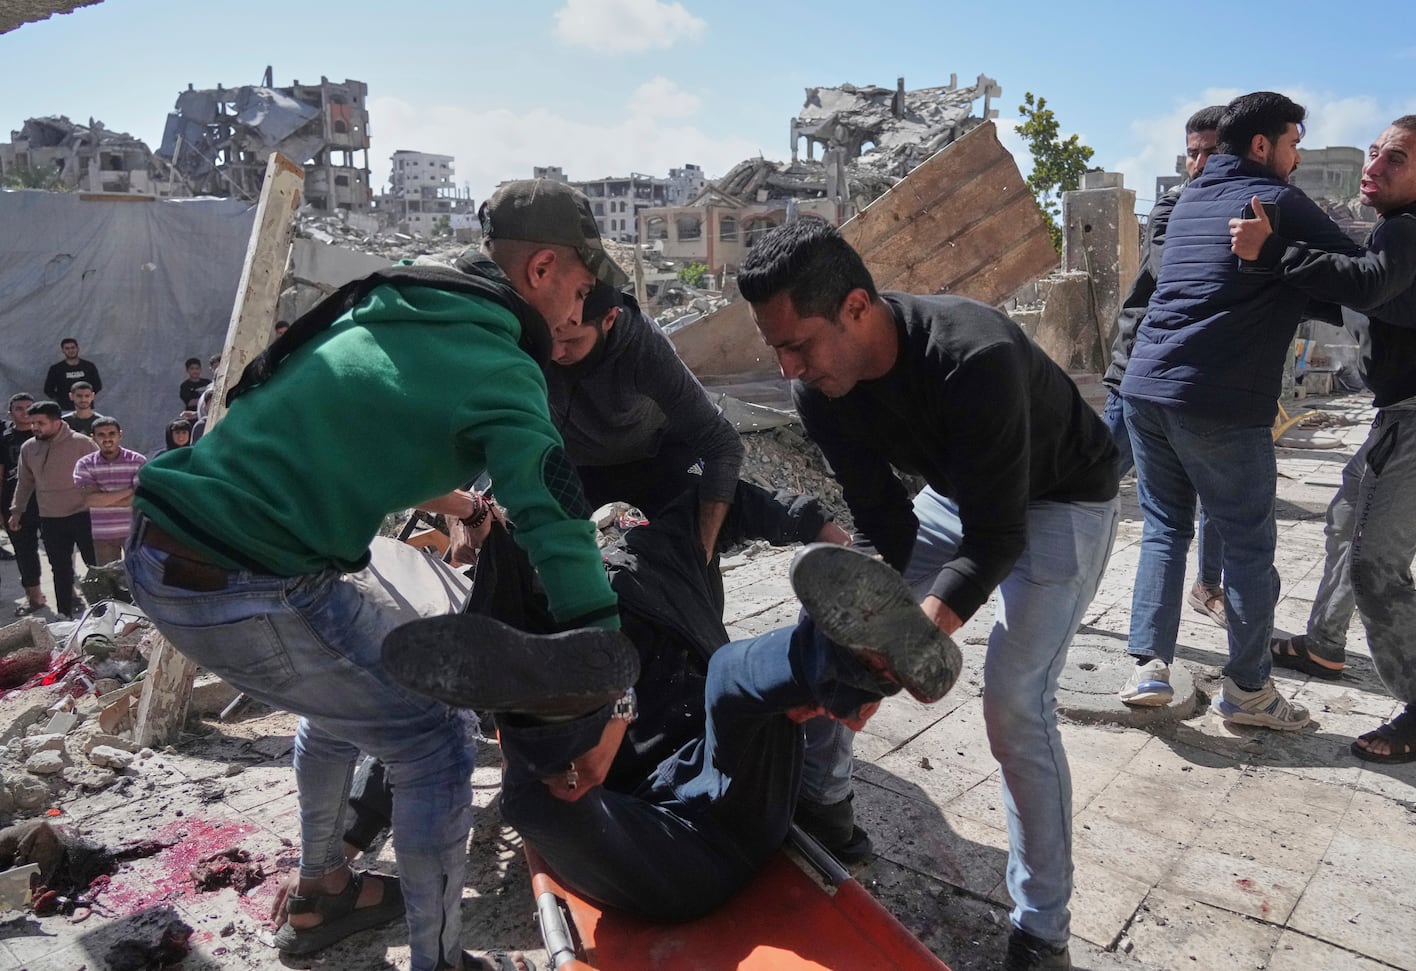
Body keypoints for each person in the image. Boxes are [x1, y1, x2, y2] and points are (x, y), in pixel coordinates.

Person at [124, 177, 636, 971]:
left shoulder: (391, 304)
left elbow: (368, 432)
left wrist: (464, 505)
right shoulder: (501, 364)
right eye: (578, 285)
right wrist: (604, 654)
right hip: (249, 583)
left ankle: (325, 887)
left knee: (345, 703)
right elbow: (553, 511)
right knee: (436, 737)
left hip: (167, 545)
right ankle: (441, 961)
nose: (578, 306)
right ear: (540, 270)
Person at [739, 221, 1120, 971]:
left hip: (1062, 500)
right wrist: (869, 642)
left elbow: (996, 537)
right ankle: (827, 806)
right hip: (960, 493)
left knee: (1014, 702)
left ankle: (1044, 931)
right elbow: (882, 517)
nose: (788, 365)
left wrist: (907, 647)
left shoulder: (972, 355)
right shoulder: (819, 388)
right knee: (836, 634)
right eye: (775, 347)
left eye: (800, 344)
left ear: (856, 307)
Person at [385, 490, 958, 922]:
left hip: (721, 762)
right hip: (658, 831)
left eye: (622, 522)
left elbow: (739, 489)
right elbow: (473, 648)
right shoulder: (550, 591)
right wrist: (485, 527)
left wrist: (829, 533)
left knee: (729, 676)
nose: (617, 528)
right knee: (542, 801)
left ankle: (857, 658)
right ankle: (557, 713)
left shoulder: (669, 546)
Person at [1118, 92, 1416, 731]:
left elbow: (1300, 286)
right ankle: (1251, 694)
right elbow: (1369, 284)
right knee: (1249, 546)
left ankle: (1150, 665)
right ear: (1263, 146)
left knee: (1163, 528)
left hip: (1145, 391)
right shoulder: (1280, 203)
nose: (1297, 157)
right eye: (1294, 144)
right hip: (1220, 399)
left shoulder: (1183, 203)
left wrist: (1284, 271)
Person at [1232, 115, 1416, 763]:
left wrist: (1273, 253)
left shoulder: (1411, 229)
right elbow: (1373, 300)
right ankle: (1324, 643)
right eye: (1374, 152)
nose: (1375, 165)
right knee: (1345, 520)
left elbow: (1369, 286)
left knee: (1378, 563)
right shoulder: (1403, 231)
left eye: (1395, 158)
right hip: (1405, 414)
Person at [1102, 107, 1232, 691]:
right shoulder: (1175, 208)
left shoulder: (1248, 206)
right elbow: (1171, 271)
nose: (1198, 163)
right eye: (1192, 152)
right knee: (1091, 481)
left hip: (1203, 386)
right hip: (1139, 374)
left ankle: (1207, 590)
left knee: (1216, 505)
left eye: (1209, 152)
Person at [546, 280, 745, 563]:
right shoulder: (530, 340)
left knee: (682, 557)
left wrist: (701, 551)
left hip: (656, 458)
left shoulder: (642, 346)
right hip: (576, 466)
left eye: (571, 340)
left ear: (609, 319)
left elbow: (722, 444)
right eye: (550, 336)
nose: (555, 353)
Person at [7, 401, 97, 614]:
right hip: (50, 518)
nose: (35, 427)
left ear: (57, 422)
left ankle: (105, 611)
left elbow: (100, 473)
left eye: (40, 422)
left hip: (83, 515)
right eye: (33, 423)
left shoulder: (82, 444)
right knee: (60, 570)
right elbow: (25, 482)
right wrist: (16, 511)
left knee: (95, 566)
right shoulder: (29, 448)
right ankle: (65, 614)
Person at [72, 416, 146, 565]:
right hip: (102, 535)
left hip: (134, 533)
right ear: (93, 438)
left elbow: (139, 498)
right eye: (101, 435)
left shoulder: (138, 461)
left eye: (112, 433)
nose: (107, 439)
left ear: (120, 434)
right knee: (109, 582)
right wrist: (129, 491)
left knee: (138, 579)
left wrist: (103, 499)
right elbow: (90, 500)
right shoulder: (85, 464)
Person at [2, 393, 49, 614]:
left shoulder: (46, 435)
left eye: (28, 408)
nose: (24, 412)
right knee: (24, 551)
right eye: (18, 408)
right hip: (15, 505)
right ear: (10, 412)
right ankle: (34, 597)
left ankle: (69, 594)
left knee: (60, 551)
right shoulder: (5, 438)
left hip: (49, 503)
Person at [43, 338, 102, 409]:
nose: (71, 350)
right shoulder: (56, 369)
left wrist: (86, 397)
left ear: (78, 348)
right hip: (65, 408)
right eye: (67, 348)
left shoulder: (89, 366)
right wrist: (61, 399)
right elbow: (48, 389)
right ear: (63, 350)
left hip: (86, 408)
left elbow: (98, 385)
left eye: (73, 347)